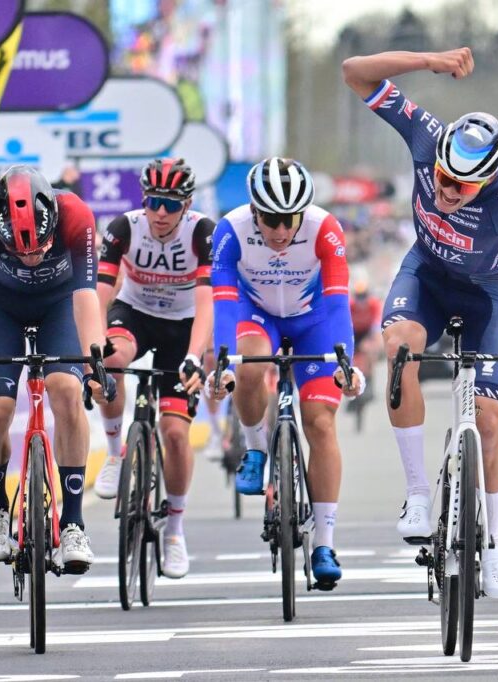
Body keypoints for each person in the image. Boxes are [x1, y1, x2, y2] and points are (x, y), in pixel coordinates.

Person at [343, 47, 498, 598]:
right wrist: (428, 61)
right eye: (440, 178)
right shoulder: (425, 133)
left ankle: (494, 544)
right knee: (400, 349)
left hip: (489, 297)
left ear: (486, 182)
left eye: (460, 188)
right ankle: (417, 493)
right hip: (427, 277)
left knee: (489, 422)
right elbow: (354, 73)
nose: (444, 191)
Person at [205, 157, 364, 589]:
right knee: (250, 362)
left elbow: (336, 304)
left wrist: (345, 363)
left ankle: (325, 544)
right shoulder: (231, 230)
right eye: (271, 220)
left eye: (289, 220)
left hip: (313, 321)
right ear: (255, 211)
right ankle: (256, 449)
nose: (279, 231)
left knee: (321, 423)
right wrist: (222, 362)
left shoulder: (325, 228)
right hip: (256, 314)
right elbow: (221, 303)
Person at [0, 165, 114, 573]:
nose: (31, 257)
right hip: (3, 309)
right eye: (21, 251)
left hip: (59, 306)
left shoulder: (76, 214)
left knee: (65, 389)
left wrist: (94, 361)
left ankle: (74, 522)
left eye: (40, 247)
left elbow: (85, 297)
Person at [92, 158, 213, 580]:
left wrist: (196, 356)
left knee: (176, 432)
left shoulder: (203, 232)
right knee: (108, 359)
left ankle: (175, 530)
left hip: (183, 326)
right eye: (153, 202)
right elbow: (102, 291)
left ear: (187, 205)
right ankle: (113, 454)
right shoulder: (125, 227)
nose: (160, 213)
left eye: (170, 205)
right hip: (137, 312)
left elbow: (207, 305)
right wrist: (89, 343)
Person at [349, 280, 384, 390]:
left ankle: (369, 378)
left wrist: (375, 345)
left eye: (363, 296)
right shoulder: (350, 305)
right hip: (354, 333)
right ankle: (352, 381)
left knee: (369, 351)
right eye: (358, 297)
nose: (361, 301)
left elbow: (376, 327)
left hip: (367, 333)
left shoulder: (374, 305)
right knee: (351, 356)